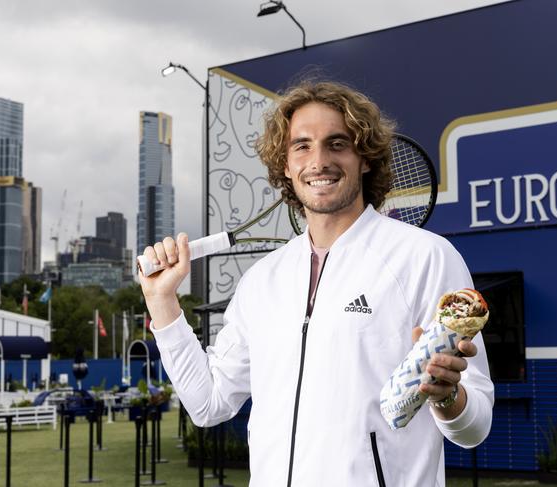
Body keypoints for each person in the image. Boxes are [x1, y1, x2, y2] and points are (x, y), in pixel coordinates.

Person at [140, 81, 494, 486]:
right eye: (302, 146)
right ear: (286, 165)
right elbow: (208, 404)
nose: (319, 160)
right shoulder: (262, 281)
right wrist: (162, 301)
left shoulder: (425, 257)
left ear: (365, 158)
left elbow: (475, 426)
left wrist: (448, 397)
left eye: (337, 143)